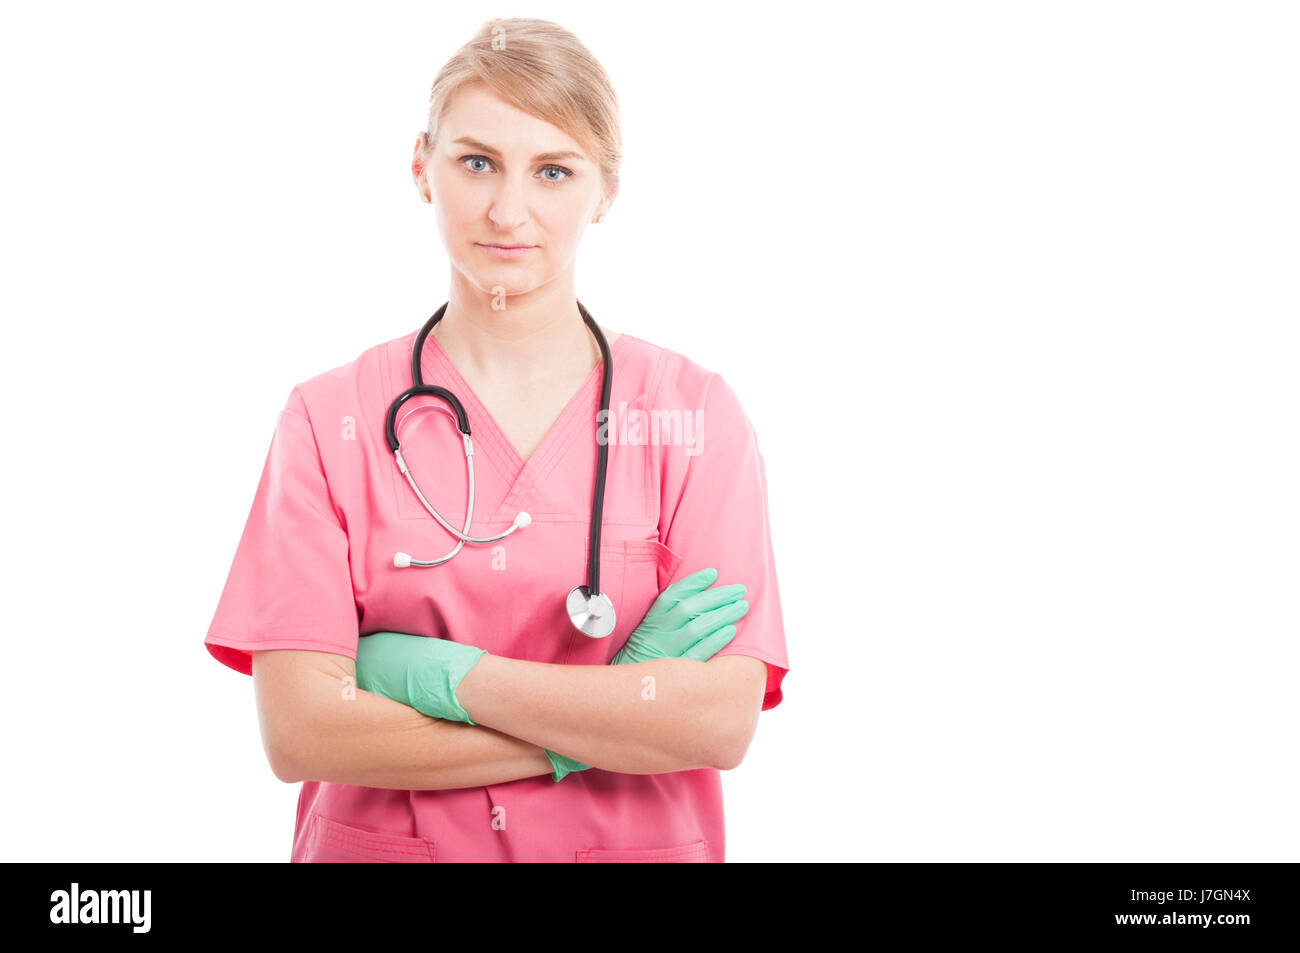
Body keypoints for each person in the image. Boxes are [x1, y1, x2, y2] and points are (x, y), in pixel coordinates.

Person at [204, 17, 789, 862]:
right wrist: (603, 719)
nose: (509, 210)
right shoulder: (328, 420)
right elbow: (301, 732)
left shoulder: (692, 418)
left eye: (554, 170)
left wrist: (434, 676)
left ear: (607, 190)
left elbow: (717, 721)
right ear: (421, 167)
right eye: (477, 162)